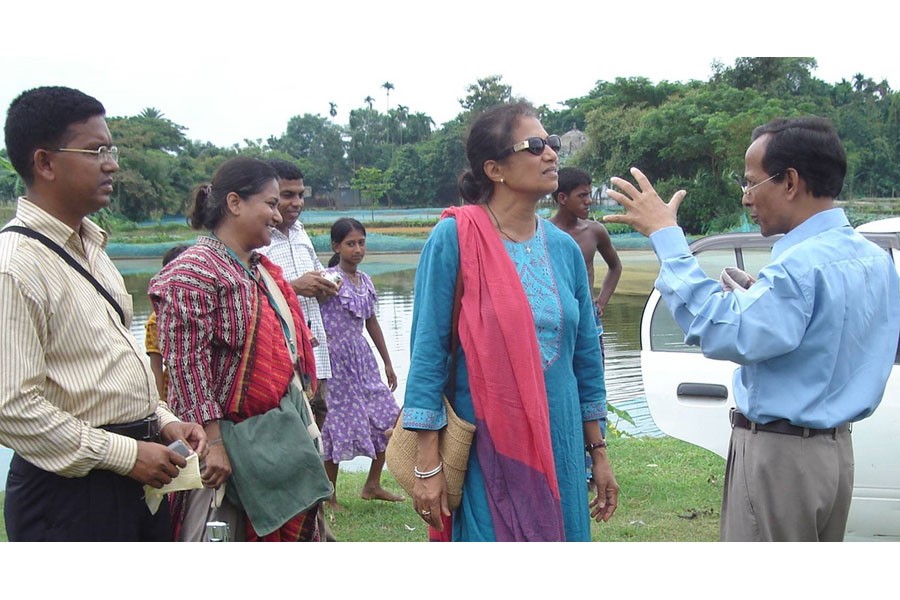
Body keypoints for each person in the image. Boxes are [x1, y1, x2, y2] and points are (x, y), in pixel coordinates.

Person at [605, 116, 900, 542]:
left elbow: (721, 329)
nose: (747, 199)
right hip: (835, 455)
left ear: (790, 182)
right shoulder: (870, 258)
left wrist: (668, 237)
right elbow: (818, 336)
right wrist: (755, 298)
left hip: (783, 458)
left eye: (751, 183)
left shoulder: (801, 266)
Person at [402, 102, 619, 542]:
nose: (551, 153)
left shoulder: (564, 250)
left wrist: (598, 452)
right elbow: (428, 352)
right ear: (495, 169)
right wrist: (428, 464)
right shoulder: (455, 237)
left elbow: (585, 362)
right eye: (535, 145)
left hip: (560, 444)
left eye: (552, 143)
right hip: (488, 449)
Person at [0, 85, 206, 541]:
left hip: (133, 472)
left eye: (110, 150)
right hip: (69, 496)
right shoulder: (14, 265)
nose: (111, 163)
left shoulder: (93, 250)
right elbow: (11, 407)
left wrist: (162, 418)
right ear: (45, 163)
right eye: (95, 151)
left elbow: (109, 365)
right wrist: (126, 454)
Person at [149, 156, 332, 542]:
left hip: (273, 443)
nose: (277, 216)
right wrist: (214, 444)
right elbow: (187, 368)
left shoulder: (257, 268)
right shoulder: (194, 271)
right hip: (226, 456)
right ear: (234, 203)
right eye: (269, 204)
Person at [318, 217, 405, 508]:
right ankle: (329, 495)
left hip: (362, 360)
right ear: (336, 246)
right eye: (350, 243)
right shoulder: (328, 279)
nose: (357, 249)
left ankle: (372, 484)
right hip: (335, 364)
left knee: (389, 418)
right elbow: (308, 316)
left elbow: (372, 323)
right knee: (336, 424)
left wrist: (388, 363)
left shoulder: (365, 280)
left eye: (361, 243)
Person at [257, 159, 338, 432]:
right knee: (291, 429)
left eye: (301, 195)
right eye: (287, 195)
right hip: (281, 356)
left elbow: (316, 276)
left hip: (317, 352)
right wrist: (294, 287)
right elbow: (251, 294)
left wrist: (324, 286)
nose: (296, 203)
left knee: (319, 420)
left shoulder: (301, 232)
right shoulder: (258, 238)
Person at [550, 166, 622, 359]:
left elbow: (615, 266)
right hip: (555, 319)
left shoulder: (594, 231)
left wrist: (601, 303)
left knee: (593, 375)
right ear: (563, 198)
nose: (589, 201)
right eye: (582, 196)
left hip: (588, 317)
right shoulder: (543, 232)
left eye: (589, 195)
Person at [145, 244, 190, 400]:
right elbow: (155, 367)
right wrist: (159, 406)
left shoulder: (202, 310)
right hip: (173, 392)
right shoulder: (156, 320)